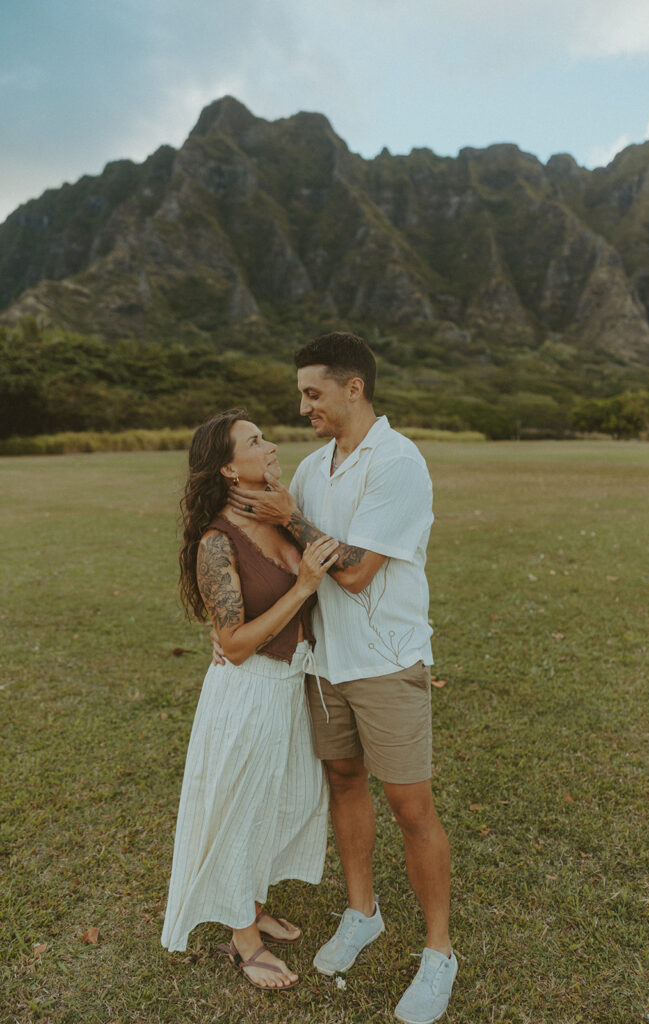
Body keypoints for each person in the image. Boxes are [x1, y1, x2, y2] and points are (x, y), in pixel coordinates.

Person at [220, 332, 458, 1024]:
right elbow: (284, 555)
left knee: (411, 808)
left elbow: (351, 573)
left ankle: (438, 952)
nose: (303, 407)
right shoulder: (316, 465)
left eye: (312, 393)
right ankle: (362, 913)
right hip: (324, 663)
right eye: (301, 395)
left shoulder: (399, 462)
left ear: (353, 389)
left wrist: (291, 515)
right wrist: (227, 629)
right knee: (344, 784)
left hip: (385, 662)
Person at [161, 409, 339, 992]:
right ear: (229, 469)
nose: (271, 446)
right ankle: (243, 939)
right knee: (239, 811)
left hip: (292, 687)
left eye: (265, 436)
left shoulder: (281, 515)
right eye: (256, 441)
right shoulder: (217, 541)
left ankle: (253, 902)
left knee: (277, 806)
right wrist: (306, 587)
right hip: (249, 692)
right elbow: (233, 645)